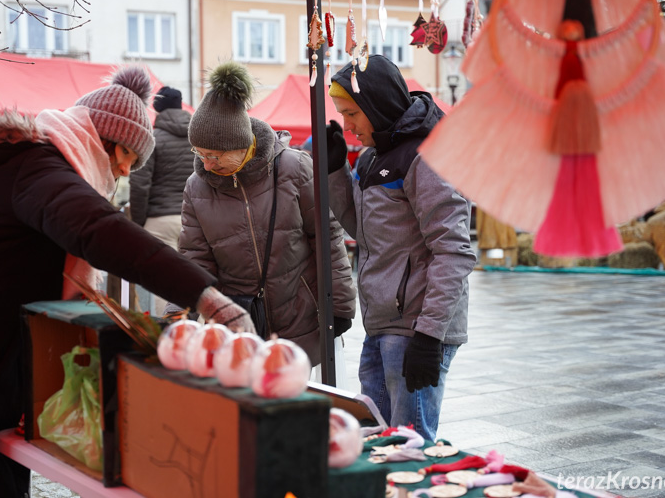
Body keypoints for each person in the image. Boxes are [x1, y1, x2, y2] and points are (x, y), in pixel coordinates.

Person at [0, 65, 253, 498]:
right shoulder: (37, 171)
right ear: (107, 141)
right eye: (127, 163)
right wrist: (205, 295)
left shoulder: (25, 170)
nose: (120, 177)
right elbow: (102, 231)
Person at [326, 54, 475, 440]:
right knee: (379, 440)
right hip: (381, 324)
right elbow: (364, 229)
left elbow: (453, 250)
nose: (348, 125)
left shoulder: (427, 155)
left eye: (352, 114)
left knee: (410, 446)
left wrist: (429, 336)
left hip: (415, 329)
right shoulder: (375, 157)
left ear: (376, 106)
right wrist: (335, 173)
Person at [179, 60, 356, 366]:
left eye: (214, 155)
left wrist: (339, 307)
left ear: (241, 145)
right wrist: (178, 316)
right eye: (199, 154)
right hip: (237, 329)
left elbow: (327, 240)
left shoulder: (295, 168)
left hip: (301, 321)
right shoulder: (197, 188)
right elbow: (194, 259)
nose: (206, 164)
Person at [127, 86, 196, 315]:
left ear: (156, 108)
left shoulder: (152, 139)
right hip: (194, 221)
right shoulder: (197, 139)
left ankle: (162, 341)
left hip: (159, 220)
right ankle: (196, 340)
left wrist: (138, 223)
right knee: (193, 282)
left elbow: (139, 185)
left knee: (161, 287)